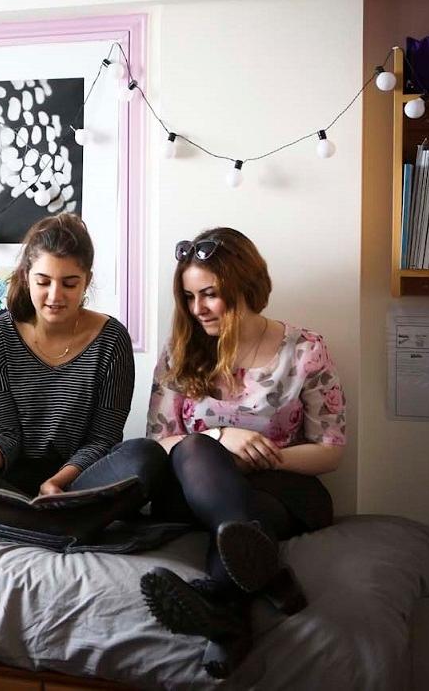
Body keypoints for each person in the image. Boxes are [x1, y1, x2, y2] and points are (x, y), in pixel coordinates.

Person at [139, 227, 345, 679]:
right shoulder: (180, 353)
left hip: (283, 489)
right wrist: (221, 439)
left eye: (210, 295)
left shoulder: (304, 350)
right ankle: (266, 576)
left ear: (243, 286)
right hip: (195, 489)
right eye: (191, 298)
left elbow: (330, 452)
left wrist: (262, 457)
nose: (199, 310)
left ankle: (225, 621)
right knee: (196, 449)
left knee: (239, 523)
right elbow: (158, 443)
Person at [0, 213, 168, 515]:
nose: (55, 296)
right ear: (27, 276)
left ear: (86, 281)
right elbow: (6, 436)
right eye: (43, 281)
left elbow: (102, 440)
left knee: (145, 455)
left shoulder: (111, 340)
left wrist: (55, 484)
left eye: (69, 283)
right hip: (8, 475)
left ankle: (16, 515)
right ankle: (46, 520)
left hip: (78, 480)